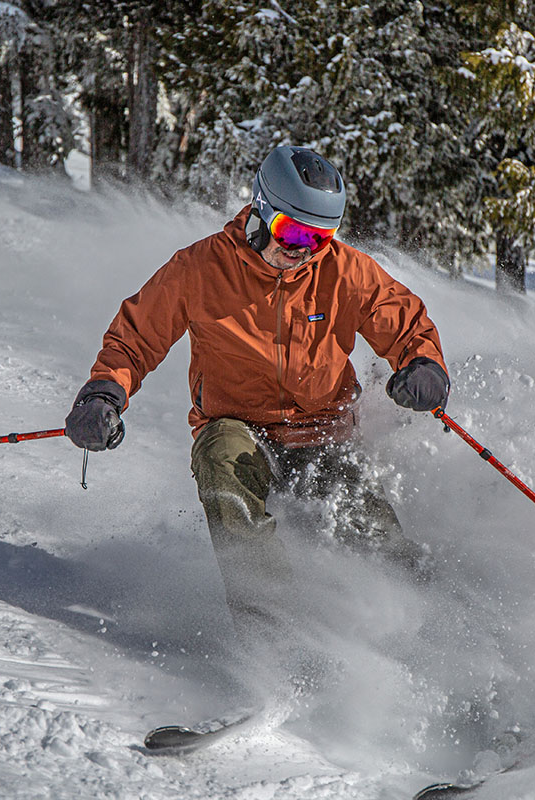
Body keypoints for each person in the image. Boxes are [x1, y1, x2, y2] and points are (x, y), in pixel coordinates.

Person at [65, 145, 450, 638]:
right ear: (260, 209)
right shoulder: (201, 268)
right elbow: (136, 334)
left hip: (322, 432)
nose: (303, 248)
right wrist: (103, 395)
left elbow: (404, 319)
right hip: (238, 426)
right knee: (224, 467)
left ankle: (436, 626)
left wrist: (424, 365)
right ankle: (276, 642)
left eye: (319, 237)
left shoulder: (342, 271)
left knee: (371, 531)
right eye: (292, 231)